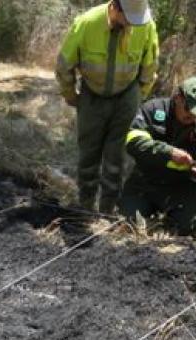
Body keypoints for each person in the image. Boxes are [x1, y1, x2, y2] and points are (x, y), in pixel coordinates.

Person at [56, 0, 159, 213]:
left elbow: (150, 65)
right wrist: (70, 95)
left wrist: (139, 95)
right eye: (128, 19)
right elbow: (64, 65)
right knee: (88, 154)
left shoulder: (145, 26)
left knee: (116, 156)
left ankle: (107, 209)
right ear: (114, 7)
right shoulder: (86, 24)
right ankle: (86, 206)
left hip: (127, 95)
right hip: (92, 95)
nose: (132, 25)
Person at [121, 77, 196, 234]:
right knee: (129, 223)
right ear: (178, 98)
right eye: (189, 110)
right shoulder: (152, 109)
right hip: (145, 183)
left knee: (187, 228)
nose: (193, 117)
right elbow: (134, 143)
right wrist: (168, 152)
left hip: (182, 186)